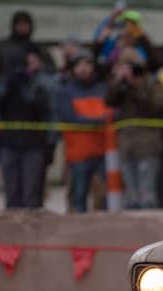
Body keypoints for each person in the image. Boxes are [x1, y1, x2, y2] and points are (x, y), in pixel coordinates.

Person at [0, 46, 52, 209]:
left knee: (32, 195)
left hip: (32, 146)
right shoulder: (5, 85)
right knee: (11, 195)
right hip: (8, 145)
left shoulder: (37, 86)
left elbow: (44, 110)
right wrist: (5, 88)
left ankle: (33, 233)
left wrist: (27, 89)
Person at [105, 47, 163, 210]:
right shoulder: (121, 83)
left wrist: (135, 84)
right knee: (131, 195)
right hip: (126, 145)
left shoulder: (152, 82)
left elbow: (156, 107)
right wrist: (118, 82)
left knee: (146, 194)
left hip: (148, 145)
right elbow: (109, 101)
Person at [55, 48, 109, 213]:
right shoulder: (66, 91)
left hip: (102, 153)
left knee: (102, 199)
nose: (83, 68)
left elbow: (108, 115)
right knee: (77, 198)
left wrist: (92, 120)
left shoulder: (102, 89)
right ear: (73, 68)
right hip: (78, 155)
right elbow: (70, 117)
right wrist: (96, 121)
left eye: (87, 64)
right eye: (79, 64)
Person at [0, 11, 54, 86]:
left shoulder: (38, 48)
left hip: (35, 86)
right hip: (7, 86)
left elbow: (53, 69)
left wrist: (40, 65)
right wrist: (3, 81)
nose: (23, 27)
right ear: (14, 26)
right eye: (20, 24)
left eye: (26, 25)